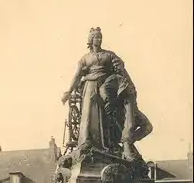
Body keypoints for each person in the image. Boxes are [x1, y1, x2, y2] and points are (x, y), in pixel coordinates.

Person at [61, 27, 152, 161]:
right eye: (96, 37)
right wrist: (68, 91)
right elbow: (77, 75)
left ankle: (107, 145)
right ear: (91, 40)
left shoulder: (109, 55)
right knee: (88, 115)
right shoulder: (85, 59)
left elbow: (120, 68)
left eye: (100, 37)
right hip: (90, 86)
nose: (99, 39)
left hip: (106, 87)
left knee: (105, 118)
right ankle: (86, 143)